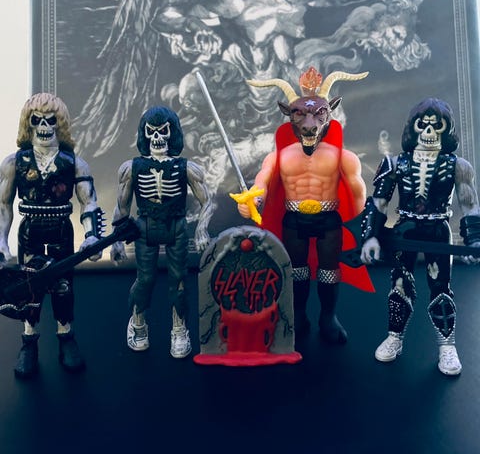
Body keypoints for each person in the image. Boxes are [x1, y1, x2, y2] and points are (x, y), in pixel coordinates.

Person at [235, 67, 373, 344]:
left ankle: (328, 318)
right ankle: (298, 315)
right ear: (288, 115)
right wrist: (253, 201)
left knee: (329, 272)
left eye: (319, 114)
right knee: (296, 270)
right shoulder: (280, 156)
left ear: (330, 113)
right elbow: (262, 182)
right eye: (300, 114)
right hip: (294, 219)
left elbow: (359, 193)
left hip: (328, 219)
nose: (310, 123)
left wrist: (363, 232)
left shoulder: (343, 157)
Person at [360, 97, 480, 375]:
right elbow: (378, 203)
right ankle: (395, 337)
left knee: (441, 288)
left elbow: (470, 204)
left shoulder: (458, 166)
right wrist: (371, 237)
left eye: (436, 126)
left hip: (438, 231)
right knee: (399, 286)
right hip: (405, 230)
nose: (428, 132)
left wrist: (474, 239)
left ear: (446, 130)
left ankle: (447, 345)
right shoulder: (394, 164)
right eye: (422, 125)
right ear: (412, 128)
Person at [0, 93, 104, 379]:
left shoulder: (75, 164)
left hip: (61, 230)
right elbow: (3, 205)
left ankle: (65, 336)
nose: (44, 126)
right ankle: (29, 342)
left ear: (60, 124)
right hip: (30, 231)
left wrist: (92, 235)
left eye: (50, 120)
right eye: (37, 120)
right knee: (28, 289)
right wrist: (2, 241)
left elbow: (89, 201)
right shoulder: (14, 163)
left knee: (63, 287)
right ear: (28, 124)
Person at [110, 105, 213, 358]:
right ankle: (138, 321)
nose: (157, 138)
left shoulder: (187, 167)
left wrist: (201, 228)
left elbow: (207, 201)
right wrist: (117, 240)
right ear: (144, 134)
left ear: (172, 133)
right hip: (145, 227)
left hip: (176, 226)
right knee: (145, 279)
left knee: (178, 280)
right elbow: (122, 206)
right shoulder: (131, 168)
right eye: (151, 131)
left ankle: (179, 329)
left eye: (163, 131)